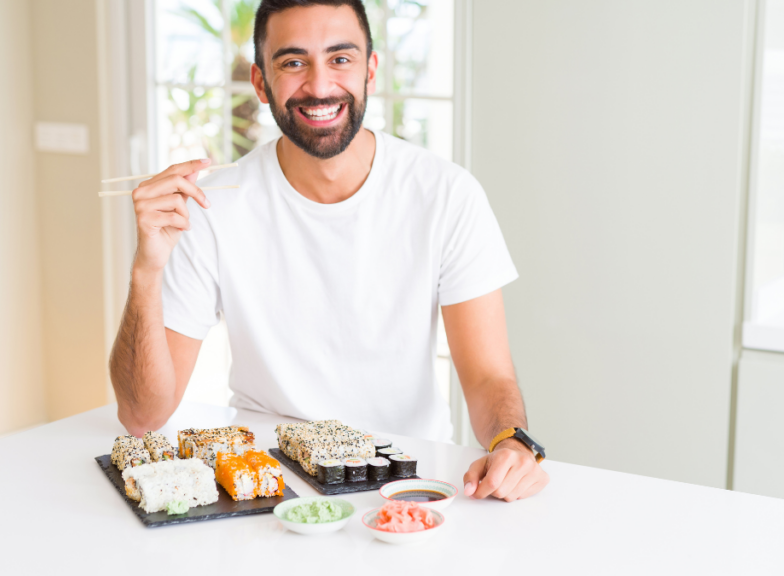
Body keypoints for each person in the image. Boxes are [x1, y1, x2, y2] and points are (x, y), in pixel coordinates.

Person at [109, 0, 548, 502]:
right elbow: (142, 416)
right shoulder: (214, 206)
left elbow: (489, 375)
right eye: (293, 63)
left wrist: (511, 441)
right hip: (268, 488)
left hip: (406, 481)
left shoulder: (446, 194)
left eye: (340, 58)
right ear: (260, 82)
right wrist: (146, 270)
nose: (319, 86)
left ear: (371, 70)